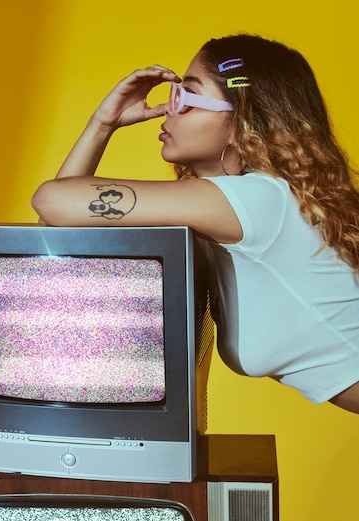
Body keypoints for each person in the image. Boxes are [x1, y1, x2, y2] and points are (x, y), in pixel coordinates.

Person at [32, 33, 359, 414]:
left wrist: (102, 124)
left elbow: (53, 200)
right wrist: (102, 124)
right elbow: (53, 229)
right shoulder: (230, 211)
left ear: (242, 123)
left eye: (186, 96)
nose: (170, 109)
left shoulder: (258, 202)